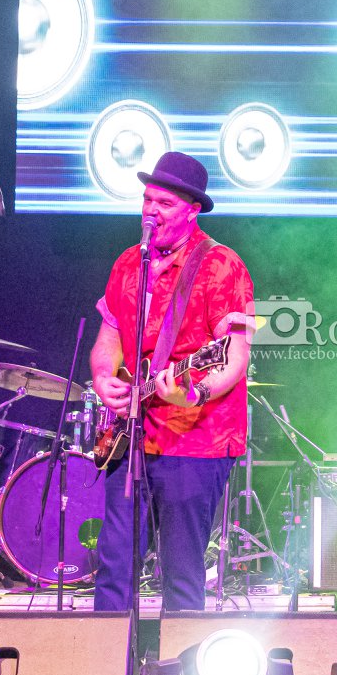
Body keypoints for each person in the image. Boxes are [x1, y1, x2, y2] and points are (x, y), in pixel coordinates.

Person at [89, 151, 253, 613]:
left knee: (181, 572)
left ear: (192, 209)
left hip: (196, 440)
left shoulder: (221, 266)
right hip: (131, 438)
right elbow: (108, 338)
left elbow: (235, 355)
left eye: (164, 203)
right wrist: (104, 377)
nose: (151, 211)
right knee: (114, 564)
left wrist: (194, 392)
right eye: (147, 199)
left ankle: (182, 661)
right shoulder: (128, 263)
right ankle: (110, 658)